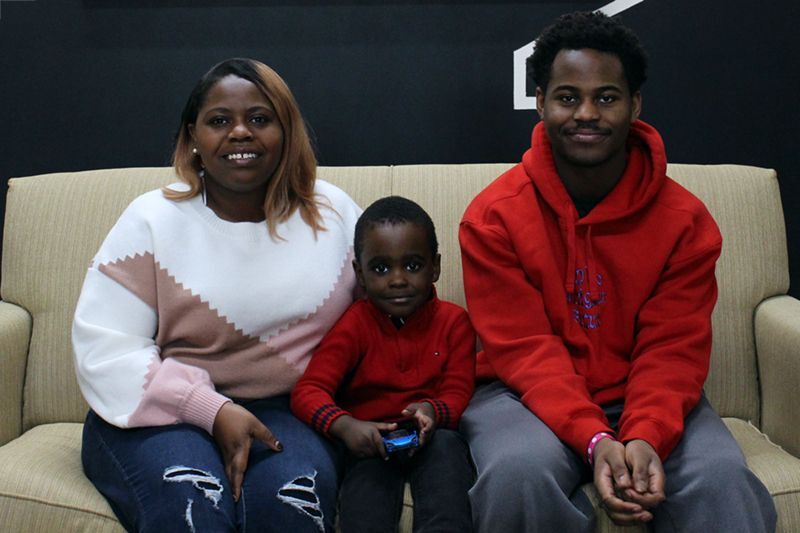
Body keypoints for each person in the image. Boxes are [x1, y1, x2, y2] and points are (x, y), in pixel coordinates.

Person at [458, 11, 776, 532]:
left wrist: (646, 433)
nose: (587, 113)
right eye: (567, 97)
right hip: (522, 396)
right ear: (540, 102)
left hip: (643, 392)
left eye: (606, 97)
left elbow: (672, 348)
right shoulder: (493, 216)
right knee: (517, 474)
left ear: (634, 105)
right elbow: (525, 350)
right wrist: (594, 437)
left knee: (721, 479)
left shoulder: (685, 221)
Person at [73, 58, 362, 532]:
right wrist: (213, 410)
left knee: (292, 508)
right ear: (192, 137)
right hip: (163, 416)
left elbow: (389, 319)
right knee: (192, 507)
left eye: (260, 119)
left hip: (290, 413)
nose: (240, 133)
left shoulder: (335, 215)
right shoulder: (151, 220)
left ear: (286, 131)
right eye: (219, 121)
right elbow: (105, 350)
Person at [291, 196, 476, 532]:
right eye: (380, 268)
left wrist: (433, 411)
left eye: (413, 266)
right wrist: (345, 426)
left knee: (449, 472)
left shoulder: (454, 323)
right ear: (359, 274)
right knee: (364, 509)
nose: (397, 280)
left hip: (433, 436)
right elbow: (309, 390)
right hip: (369, 440)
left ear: (435, 266)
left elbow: (458, 390)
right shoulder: (354, 325)